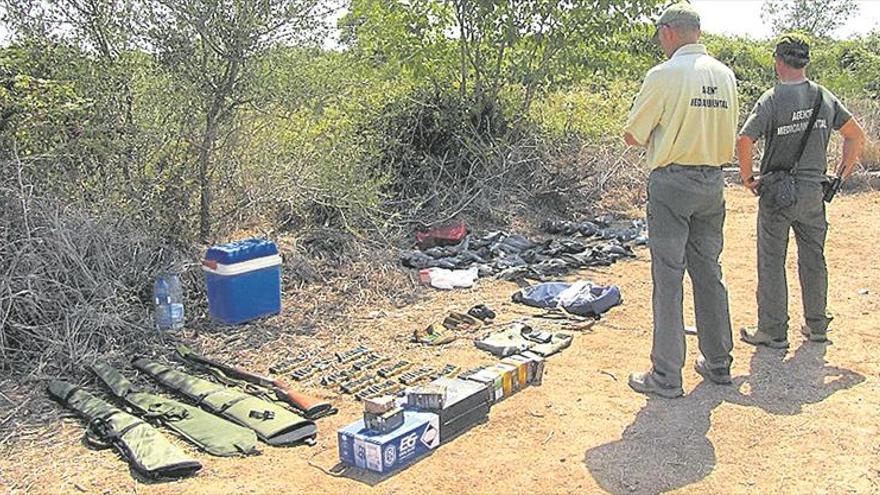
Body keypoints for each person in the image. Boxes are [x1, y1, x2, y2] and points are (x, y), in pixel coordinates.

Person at [624, 2, 739, 398]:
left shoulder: (663, 75)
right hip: (713, 182)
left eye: (660, 35)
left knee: (668, 278)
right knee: (709, 271)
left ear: (669, 31)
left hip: (672, 182)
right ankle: (719, 362)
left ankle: (666, 375)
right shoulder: (725, 76)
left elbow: (634, 135)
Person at [738, 33, 866, 348]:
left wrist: (747, 177)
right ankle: (817, 325)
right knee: (813, 257)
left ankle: (773, 330)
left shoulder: (771, 99)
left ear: (779, 61)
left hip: (777, 192)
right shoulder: (825, 98)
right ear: (805, 61)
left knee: (772, 260)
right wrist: (842, 172)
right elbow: (855, 135)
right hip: (813, 192)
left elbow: (744, 139)